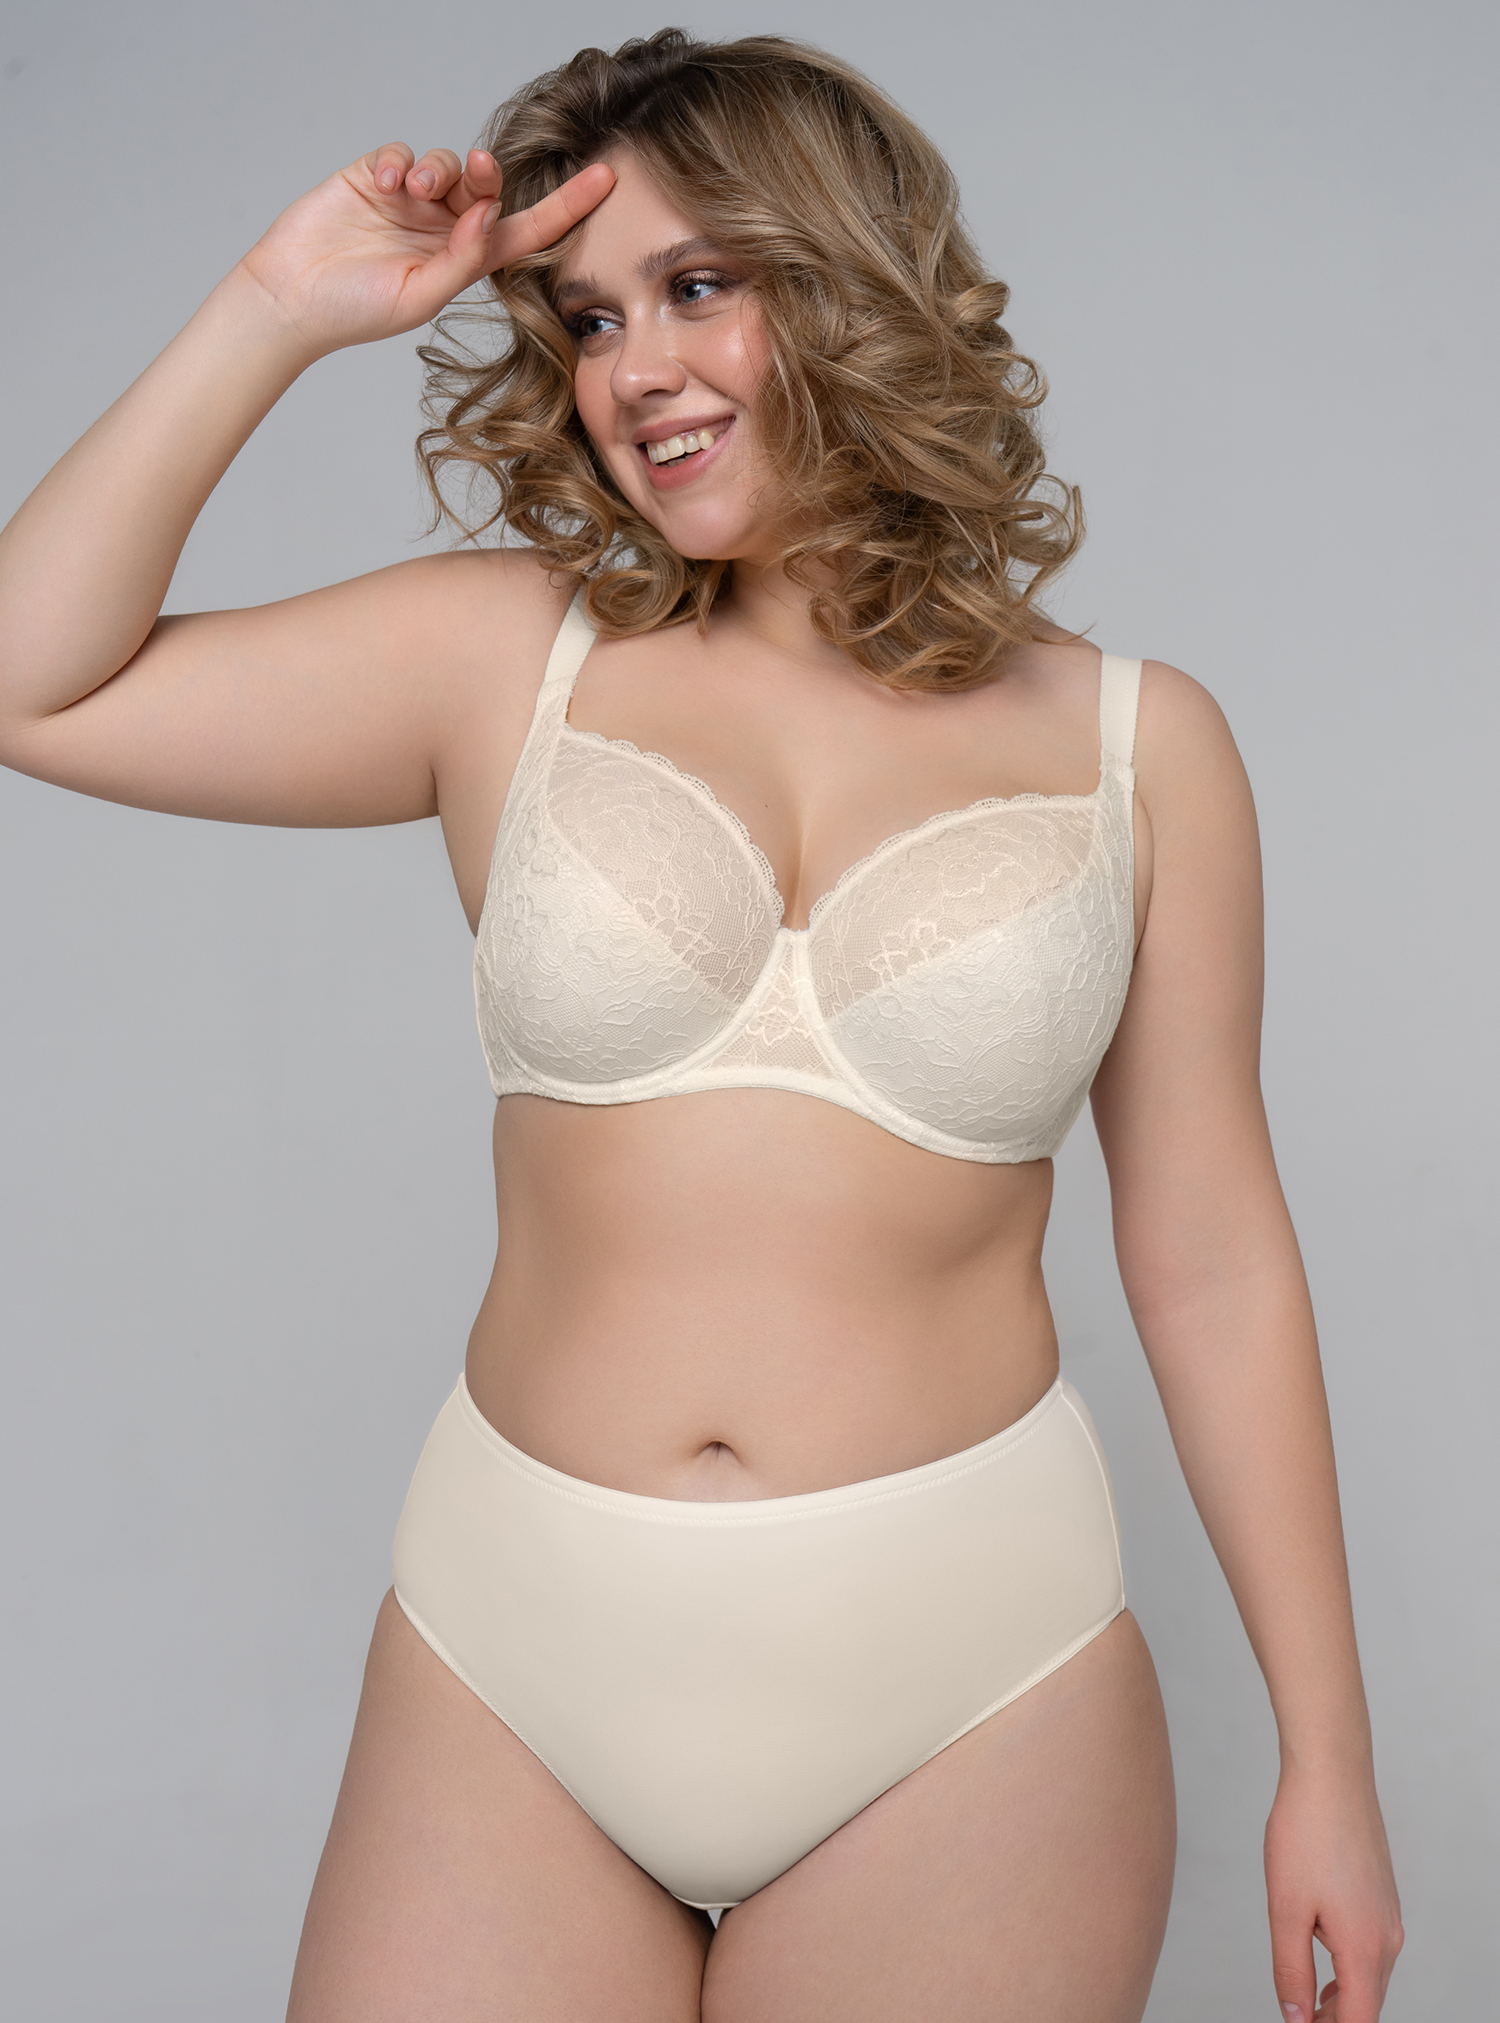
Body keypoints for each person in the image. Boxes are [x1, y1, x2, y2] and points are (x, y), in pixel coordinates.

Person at [0, 27, 1402, 2023]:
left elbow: (1214, 1259)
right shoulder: (507, 662)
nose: (632, 367)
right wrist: (275, 305)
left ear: (847, 282)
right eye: (587, 317)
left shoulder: (1140, 747)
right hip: (513, 1671)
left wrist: (1328, 1757)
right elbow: (29, 678)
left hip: (970, 1695)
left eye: (697, 286)